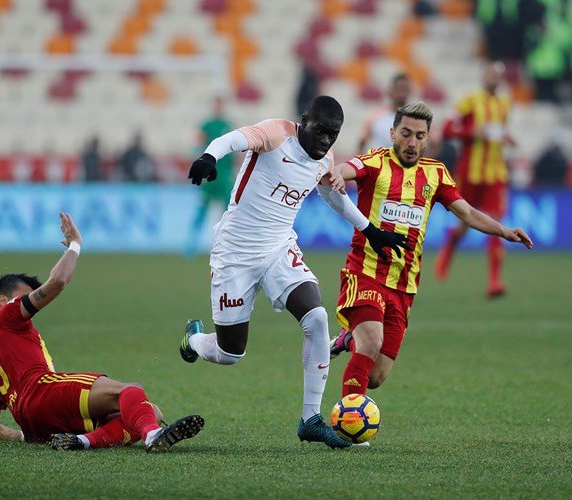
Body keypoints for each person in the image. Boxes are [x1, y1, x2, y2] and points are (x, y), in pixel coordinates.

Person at [179, 96, 407, 449]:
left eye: (333, 135)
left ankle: (310, 418)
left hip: (278, 250)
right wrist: (210, 155)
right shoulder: (275, 134)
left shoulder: (324, 158)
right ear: (303, 121)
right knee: (230, 352)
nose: (326, 141)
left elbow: (333, 195)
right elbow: (233, 139)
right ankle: (193, 339)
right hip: (235, 253)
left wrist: (369, 230)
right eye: (320, 132)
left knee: (316, 318)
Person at [327, 101, 532, 399]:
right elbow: (347, 168)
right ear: (392, 133)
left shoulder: (436, 174)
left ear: (429, 138)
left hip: (403, 285)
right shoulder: (375, 162)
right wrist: (335, 173)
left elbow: (467, 213)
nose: (412, 143)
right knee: (371, 341)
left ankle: (347, 340)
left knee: (375, 377)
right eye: (406, 134)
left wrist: (503, 230)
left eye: (419, 136)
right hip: (365, 272)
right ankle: (348, 420)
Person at [0, 212, 204, 452]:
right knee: (130, 391)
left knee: (151, 411)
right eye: (22, 296)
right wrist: (75, 244)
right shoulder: (5, 316)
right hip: (43, 391)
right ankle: (153, 436)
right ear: (3, 300)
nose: (27, 300)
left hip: (36, 425)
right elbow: (58, 282)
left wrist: (24, 435)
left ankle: (83, 441)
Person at [435, 62, 515, 297]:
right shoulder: (469, 101)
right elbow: (448, 130)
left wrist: (507, 138)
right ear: (484, 76)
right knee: (464, 224)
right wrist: (470, 133)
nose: (494, 79)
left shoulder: (504, 104)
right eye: (491, 74)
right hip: (470, 173)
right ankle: (449, 249)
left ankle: (494, 281)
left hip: (495, 174)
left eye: (498, 76)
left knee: (497, 222)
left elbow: (500, 131)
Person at [186, 97, 236, 256]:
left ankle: (230, 245)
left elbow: (234, 150)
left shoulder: (227, 125)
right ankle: (191, 245)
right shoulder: (207, 125)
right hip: (210, 176)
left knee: (229, 211)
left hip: (225, 175)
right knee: (202, 209)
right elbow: (197, 144)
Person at [357, 73, 412, 153]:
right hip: (378, 162)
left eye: (404, 89)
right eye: (399, 88)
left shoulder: (417, 118)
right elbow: (362, 141)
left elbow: (431, 142)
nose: (402, 93)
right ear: (391, 91)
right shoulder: (376, 116)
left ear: (409, 91)